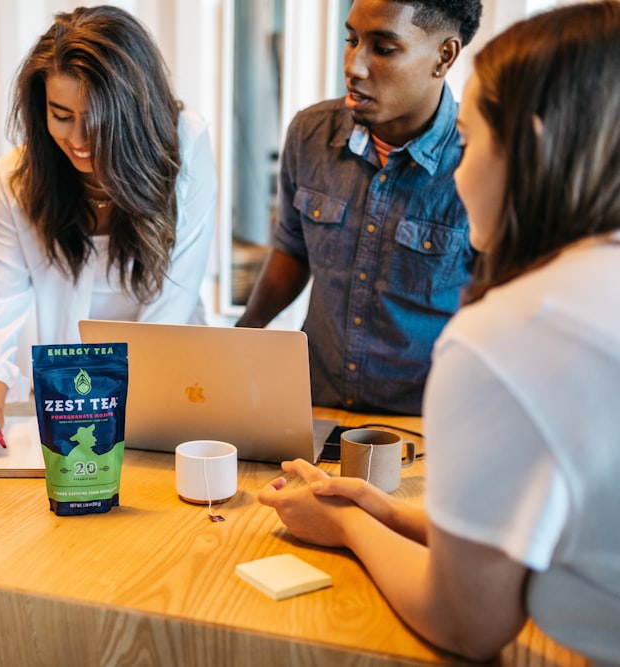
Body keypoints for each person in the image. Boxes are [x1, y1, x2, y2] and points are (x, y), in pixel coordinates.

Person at [258, 2, 620, 663]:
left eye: (474, 141)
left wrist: (343, 523)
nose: (456, 168)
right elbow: (540, 534)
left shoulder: (503, 340)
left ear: (531, 145)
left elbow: (465, 621)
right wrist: (390, 514)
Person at [0, 5, 217, 444]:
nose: (77, 140)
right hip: (71, 408)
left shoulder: (184, 146)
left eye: (96, 119)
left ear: (131, 110)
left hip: (170, 396)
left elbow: (173, 301)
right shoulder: (17, 179)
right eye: (61, 115)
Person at [237, 0, 482, 415]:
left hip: (423, 423)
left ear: (445, 56)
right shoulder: (310, 133)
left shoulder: (478, 161)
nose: (354, 66)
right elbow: (293, 250)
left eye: (383, 49)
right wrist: (240, 340)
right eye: (351, 40)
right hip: (314, 406)